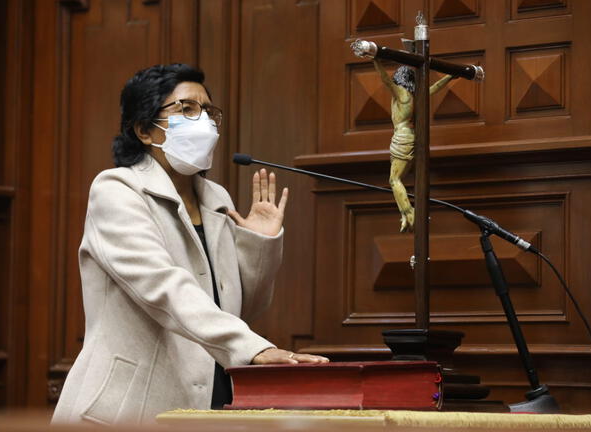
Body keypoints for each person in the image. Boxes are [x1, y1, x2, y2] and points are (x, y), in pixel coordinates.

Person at [51, 64, 328, 425]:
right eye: (186, 109)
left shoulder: (216, 198)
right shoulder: (116, 190)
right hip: (128, 408)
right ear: (145, 130)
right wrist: (255, 349)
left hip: (210, 401)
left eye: (209, 111)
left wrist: (259, 244)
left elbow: (244, 309)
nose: (204, 122)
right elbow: (164, 288)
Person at [373, 60, 455, 232]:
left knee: (394, 179)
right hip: (413, 137)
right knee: (399, 178)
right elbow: (437, 86)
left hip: (402, 137)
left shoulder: (402, 94)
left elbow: (385, 80)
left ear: (399, 78)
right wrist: (450, 76)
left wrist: (375, 60)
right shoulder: (418, 95)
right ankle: (405, 214)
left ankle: (410, 213)